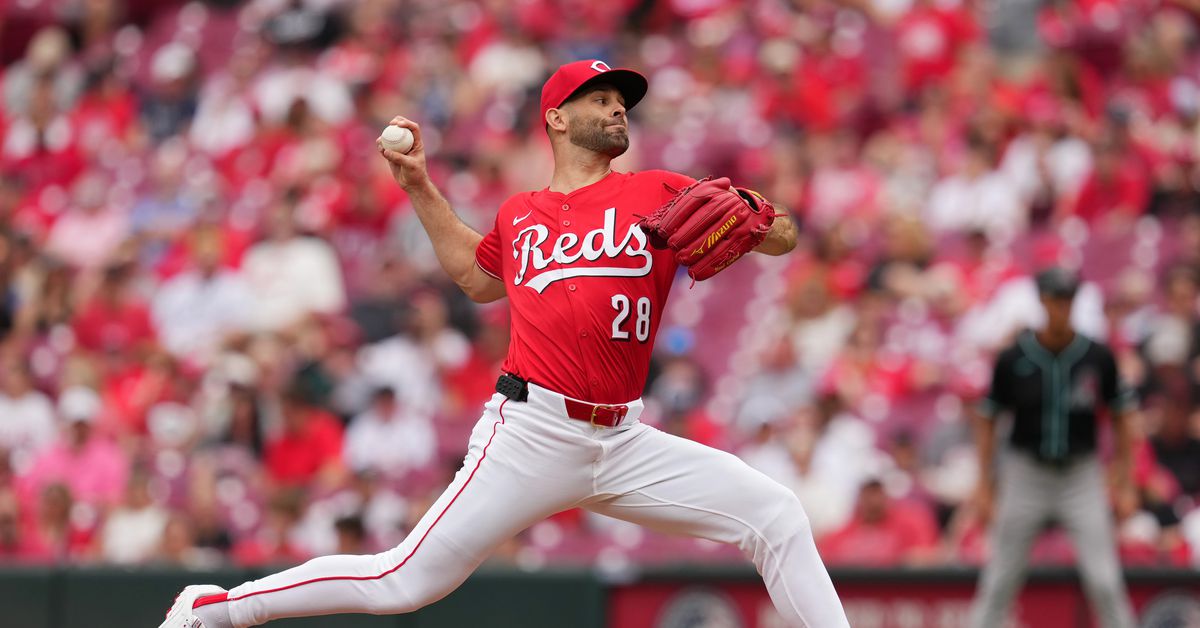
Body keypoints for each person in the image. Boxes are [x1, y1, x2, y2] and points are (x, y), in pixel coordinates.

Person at [160, 59, 848, 628]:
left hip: (625, 440)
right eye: (599, 99)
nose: (617, 111)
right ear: (556, 117)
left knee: (775, 515)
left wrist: (757, 211)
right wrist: (420, 186)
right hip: (532, 431)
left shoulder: (657, 190)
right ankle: (212, 611)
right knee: (402, 582)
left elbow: (782, 236)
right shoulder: (522, 213)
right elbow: (475, 276)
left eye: (621, 102)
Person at [968, 267, 1137, 628]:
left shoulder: (1097, 356)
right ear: (1042, 302)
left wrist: (1124, 479)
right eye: (1053, 299)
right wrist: (985, 483)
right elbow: (988, 418)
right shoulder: (1014, 357)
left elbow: (1122, 416)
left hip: (1080, 475)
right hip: (1026, 472)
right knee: (1000, 579)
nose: (1060, 307)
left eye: (1066, 299)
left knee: (1105, 580)